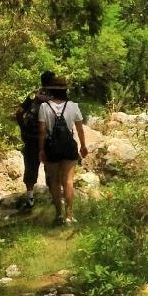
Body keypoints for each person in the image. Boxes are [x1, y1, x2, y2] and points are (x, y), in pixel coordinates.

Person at [38, 77, 88, 225]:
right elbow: (80, 129)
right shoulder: (73, 106)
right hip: (68, 147)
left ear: (51, 90)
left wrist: (41, 150)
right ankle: (69, 216)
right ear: (65, 90)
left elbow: (42, 131)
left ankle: (58, 215)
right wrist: (83, 146)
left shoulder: (44, 107)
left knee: (54, 181)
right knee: (68, 181)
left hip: (51, 147)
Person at [13, 70, 55, 211]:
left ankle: (30, 198)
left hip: (30, 138)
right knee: (50, 167)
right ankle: (52, 196)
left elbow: (19, 112)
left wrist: (22, 129)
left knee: (31, 167)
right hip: (48, 139)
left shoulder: (33, 95)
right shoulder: (55, 97)